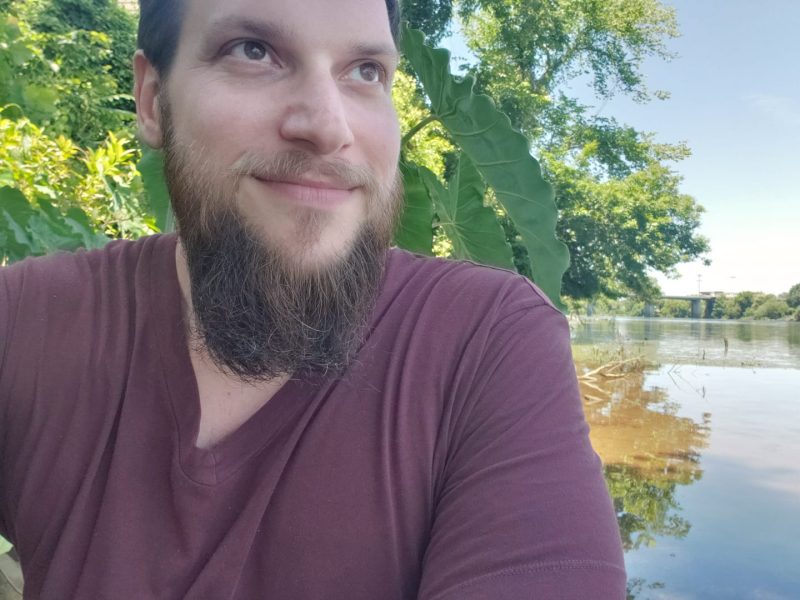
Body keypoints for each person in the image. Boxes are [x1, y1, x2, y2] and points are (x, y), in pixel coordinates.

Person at [0, 0, 626, 597]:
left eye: (366, 71)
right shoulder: (24, 321)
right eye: (252, 50)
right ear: (151, 100)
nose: (328, 128)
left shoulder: (488, 343)